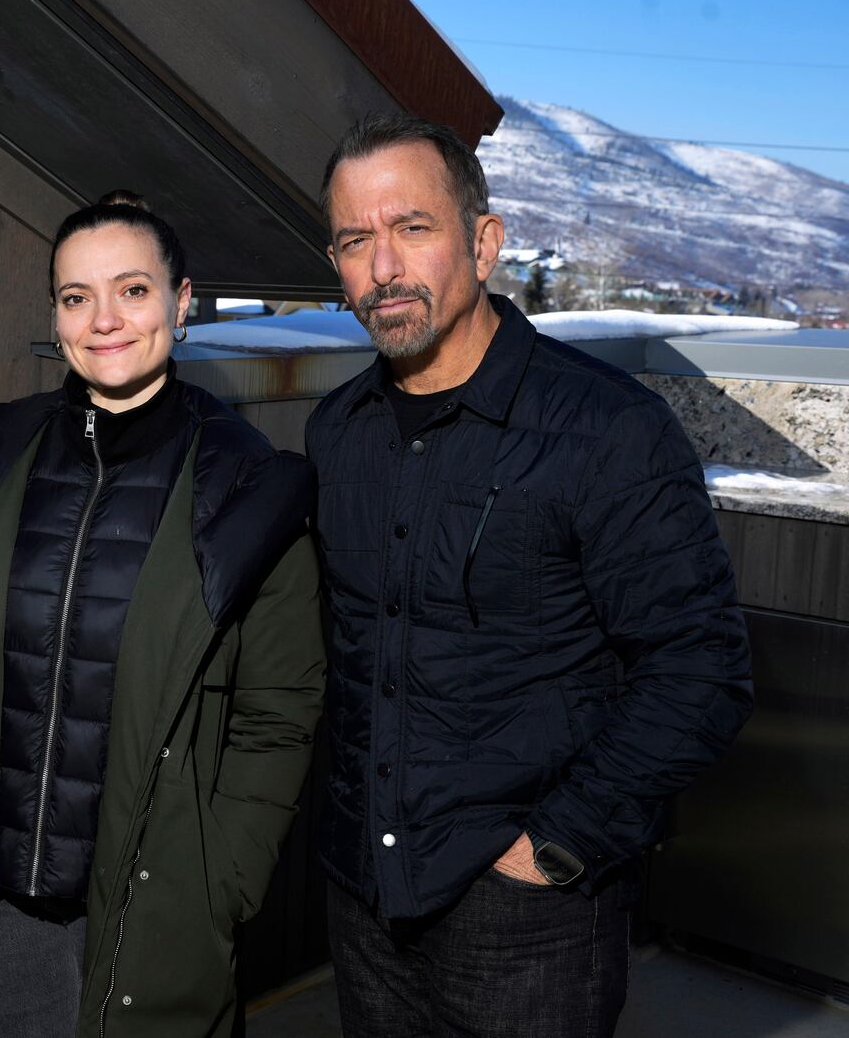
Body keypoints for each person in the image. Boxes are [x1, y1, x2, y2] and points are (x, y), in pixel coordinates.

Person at [304, 113, 753, 1036]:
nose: (383, 265)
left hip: (528, 921)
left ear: (484, 241)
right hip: (365, 905)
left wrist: (554, 848)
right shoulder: (337, 430)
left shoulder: (605, 430)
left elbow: (700, 668)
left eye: (412, 228)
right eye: (356, 239)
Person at [0, 191, 326, 1036]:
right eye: (77, 296)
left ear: (182, 301)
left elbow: (280, 712)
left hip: (145, 903)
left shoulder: (250, 490)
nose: (105, 320)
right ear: (55, 313)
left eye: (133, 290)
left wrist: (220, 878)